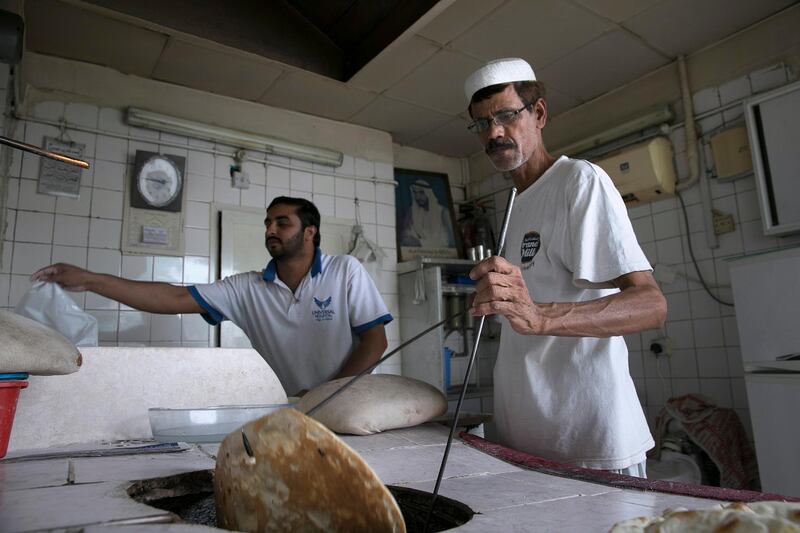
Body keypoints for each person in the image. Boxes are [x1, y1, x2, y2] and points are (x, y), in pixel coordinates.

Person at [463, 58, 667, 477]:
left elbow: (651, 304)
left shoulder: (579, 180)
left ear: (538, 114)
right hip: (527, 439)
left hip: (589, 441)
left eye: (505, 115)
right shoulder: (515, 204)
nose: (494, 133)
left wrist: (538, 315)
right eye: (482, 123)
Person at [31, 196, 392, 397]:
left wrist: (329, 394)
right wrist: (91, 280)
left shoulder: (345, 270)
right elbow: (172, 298)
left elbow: (375, 341)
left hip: (350, 402)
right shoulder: (247, 288)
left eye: (282, 222)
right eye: (267, 223)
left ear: (310, 232)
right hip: (291, 406)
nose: (270, 230)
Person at [399, 178, 455, 249]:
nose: (417, 197)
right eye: (415, 193)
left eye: (421, 192)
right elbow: (405, 237)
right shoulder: (412, 212)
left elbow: (451, 243)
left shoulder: (444, 212)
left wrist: (419, 242)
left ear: (429, 193)